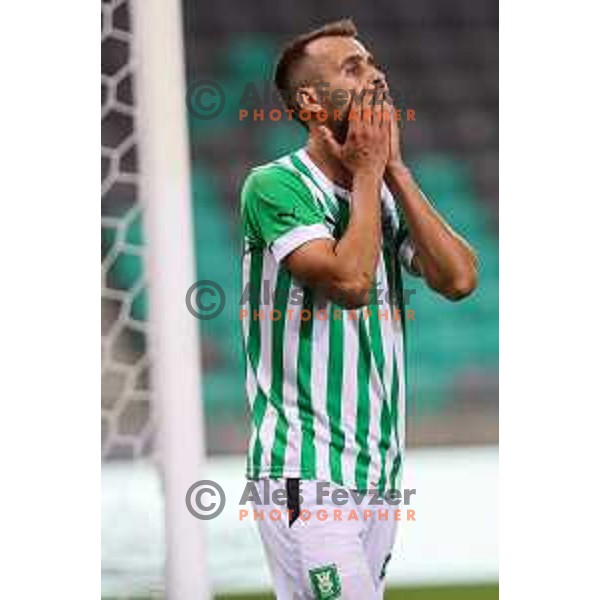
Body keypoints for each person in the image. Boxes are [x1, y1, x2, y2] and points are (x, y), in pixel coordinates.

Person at [240, 19, 478, 599]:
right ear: (311, 102)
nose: (376, 75)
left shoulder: (380, 196)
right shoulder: (275, 186)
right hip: (306, 468)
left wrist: (392, 168)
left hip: (378, 473)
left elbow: (459, 278)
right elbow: (349, 280)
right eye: (353, 68)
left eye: (372, 62)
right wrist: (371, 172)